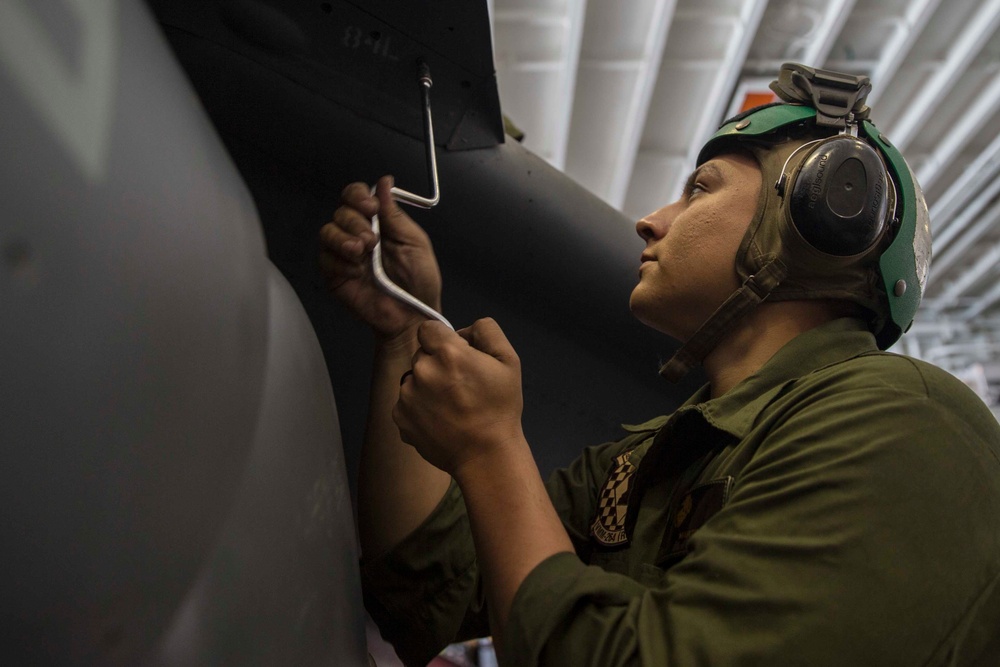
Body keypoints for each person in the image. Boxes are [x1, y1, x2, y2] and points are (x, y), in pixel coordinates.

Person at [319, 63, 1000, 666]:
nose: (650, 220)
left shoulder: (904, 424)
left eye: (700, 190)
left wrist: (492, 448)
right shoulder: (662, 456)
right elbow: (427, 581)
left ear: (813, 219)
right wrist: (405, 328)